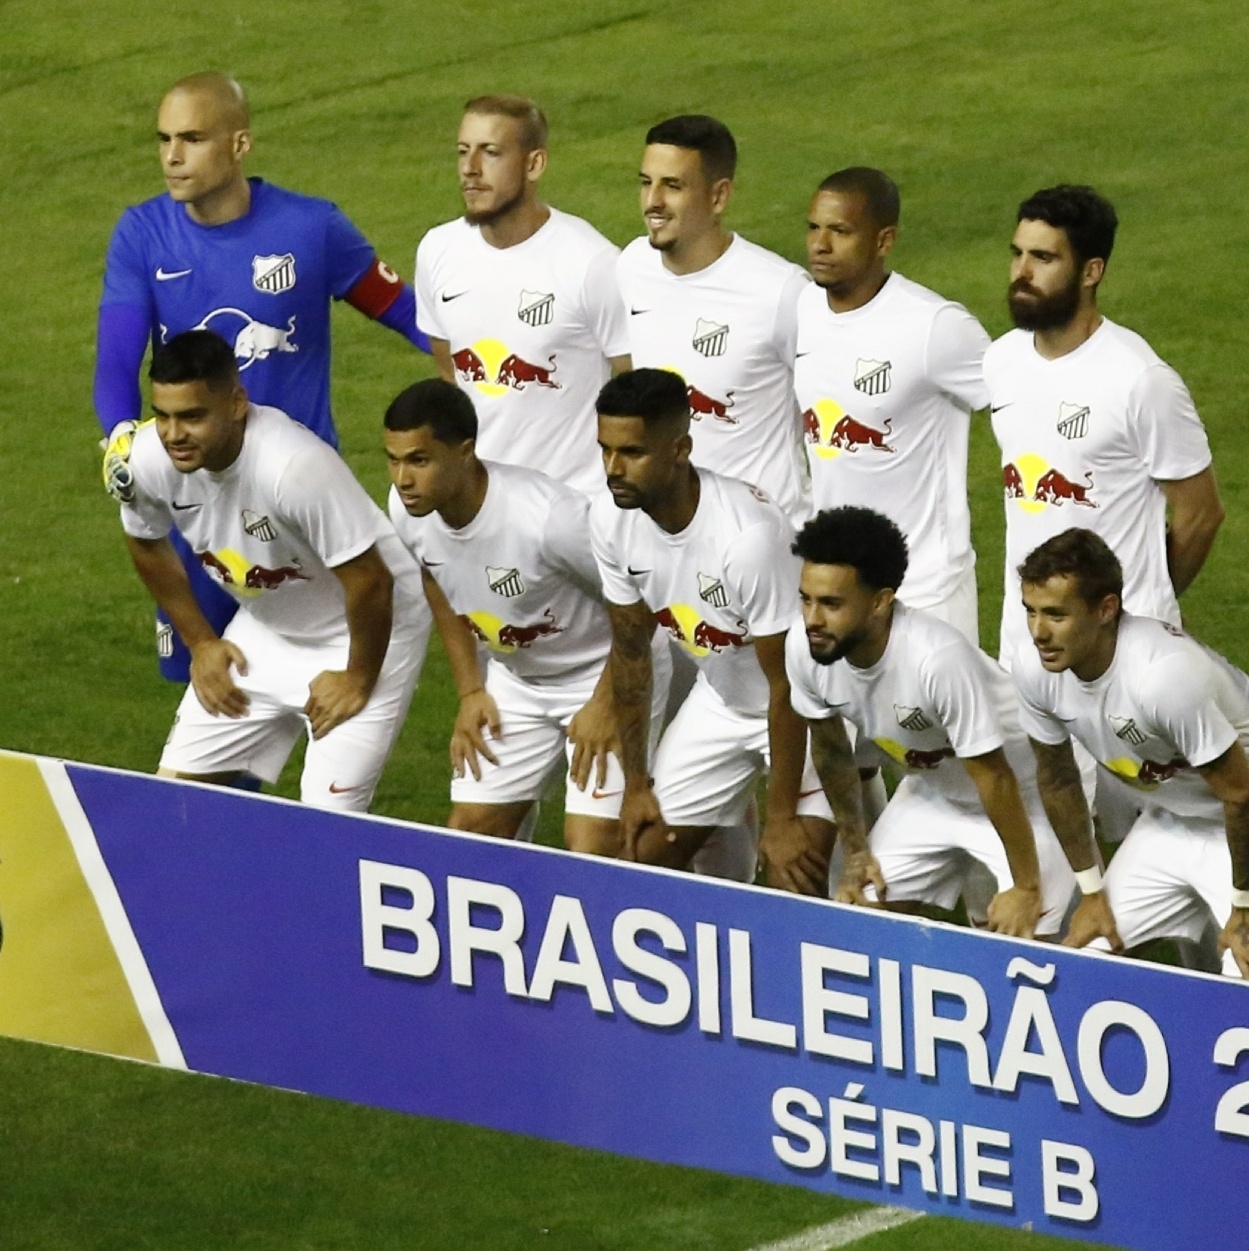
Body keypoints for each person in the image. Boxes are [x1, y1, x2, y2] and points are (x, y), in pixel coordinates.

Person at [97, 71, 430, 681]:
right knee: (206, 680)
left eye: (192, 138)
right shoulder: (142, 235)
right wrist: (121, 438)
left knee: (325, 670)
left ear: (240, 144)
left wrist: (478, 383)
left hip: (296, 500)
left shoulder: (311, 229)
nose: (172, 157)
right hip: (196, 497)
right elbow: (116, 358)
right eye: (164, 139)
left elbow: (409, 315)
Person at [118, 330, 429, 812]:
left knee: (327, 822)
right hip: (267, 629)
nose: (174, 434)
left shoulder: (293, 468)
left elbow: (372, 581)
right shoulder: (149, 458)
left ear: (237, 402)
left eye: (193, 416)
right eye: (163, 415)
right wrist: (201, 643)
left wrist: (357, 678)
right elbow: (144, 540)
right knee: (173, 801)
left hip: (366, 631)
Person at [384, 378, 662, 853]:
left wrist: (603, 703)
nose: (402, 479)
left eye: (419, 460)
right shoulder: (408, 510)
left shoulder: (550, 520)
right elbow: (435, 579)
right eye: (393, 460)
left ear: (465, 451)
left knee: (593, 849)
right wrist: (472, 689)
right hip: (517, 682)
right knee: (469, 837)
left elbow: (641, 604)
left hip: (604, 671)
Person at [591, 368, 834, 894]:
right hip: (722, 700)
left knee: (797, 878)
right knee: (640, 860)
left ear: (680, 449)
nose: (614, 469)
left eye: (632, 453)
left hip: (811, 706)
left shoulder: (747, 537)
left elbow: (787, 683)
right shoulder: (611, 521)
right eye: (605, 450)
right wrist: (636, 784)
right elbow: (631, 651)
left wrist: (781, 818)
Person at [786, 506, 1076, 938]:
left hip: (1029, 794)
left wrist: (1027, 886)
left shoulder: (936, 660)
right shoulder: (808, 647)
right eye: (806, 599)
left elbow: (995, 778)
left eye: (831, 604)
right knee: (855, 921)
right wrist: (856, 851)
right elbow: (830, 750)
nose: (813, 619)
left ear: (881, 601)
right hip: (934, 791)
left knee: (1034, 945)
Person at [986, 183, 1223, 666]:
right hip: (1025, 643)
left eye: (1044, 258)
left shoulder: (1140, 380)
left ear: (1091, 271)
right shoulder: (1001, 360)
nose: (1022, 273)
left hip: (1120, 652)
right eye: (1017, 254)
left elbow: (1201, 513)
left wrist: (1140, 603)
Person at [1013, 529, 1249, 976]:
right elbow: (1058, 778)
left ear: (1106, 609)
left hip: (1239, 822)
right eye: (1032, 612)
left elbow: (1239, 793)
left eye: (1056, 615)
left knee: (1243, 975)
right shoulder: (1036, 670)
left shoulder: (1162, 678)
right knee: (1084, 957)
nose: (1039, 633)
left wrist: (1243, 907)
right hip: (1169, 820)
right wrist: (1091, 892)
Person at [794, 168, 990, 643]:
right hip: (838, 590)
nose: (820, 244)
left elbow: (1022, 399)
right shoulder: (803, 310)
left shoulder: (934, 328)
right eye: (814, 227)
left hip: (925, 590)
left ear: (884, 241)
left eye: (840, 231)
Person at [415, 95, 630, 497]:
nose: (470, 169)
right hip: (482, 505)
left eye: (490, 153)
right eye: (463, 152)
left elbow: (642, 388)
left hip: (575, 509)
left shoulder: (592, 264)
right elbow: (451, 375)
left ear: (534, 164)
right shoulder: (438, 251)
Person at [616, 115, 810, 524]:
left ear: (718, 197)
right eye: (646, 182)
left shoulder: (779, 292)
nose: (653, 201)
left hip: (769, 541)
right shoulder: (632, 268)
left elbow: (828, 411)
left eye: (673, 186)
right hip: (674, 535)